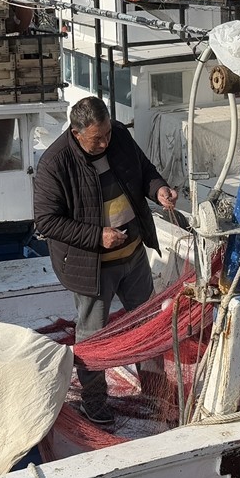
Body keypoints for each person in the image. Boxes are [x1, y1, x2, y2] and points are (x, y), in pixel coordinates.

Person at [33, 97, 178, 427]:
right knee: (92, 337)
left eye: (107, 134)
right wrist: (97, 236)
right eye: (97, 138)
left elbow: (145, 172)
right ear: (76, 132)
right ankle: (95, 402)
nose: (104, 142)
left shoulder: (119, 137)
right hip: (91, 267)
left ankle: (155, 392)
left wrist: (159, 190)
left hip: (133, 256)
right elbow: (46, 221)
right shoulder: (54, 164)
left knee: (148, 324)